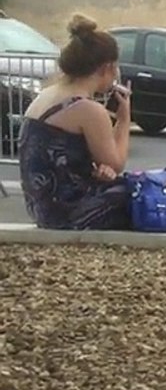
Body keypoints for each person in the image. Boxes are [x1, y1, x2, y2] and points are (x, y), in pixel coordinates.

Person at [18, 14, 133, 230]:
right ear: (106, 68)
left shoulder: (47, 94)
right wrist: (124, 119)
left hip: (42, 207)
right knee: (141, 193)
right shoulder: (89, 110)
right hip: (69, 211)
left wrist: (98, 173)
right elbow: (116, 163)